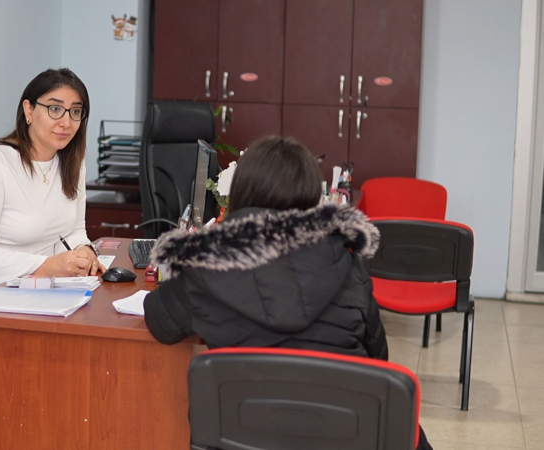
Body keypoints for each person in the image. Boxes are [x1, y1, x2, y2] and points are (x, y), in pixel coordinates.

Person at [143, 135, 433, 450]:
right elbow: (378, 358)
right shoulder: (347, 262)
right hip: (343, 433)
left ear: (241, 190)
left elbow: (160, 321)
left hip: (244, 435)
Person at [0, 67, 106, 293]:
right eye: (55, 109)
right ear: (29, 110)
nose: (66, 122)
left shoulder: (72, 162)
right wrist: (47, 265)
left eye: (75, 111)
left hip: (32, 283)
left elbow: (74, 230)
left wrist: (84, 250)